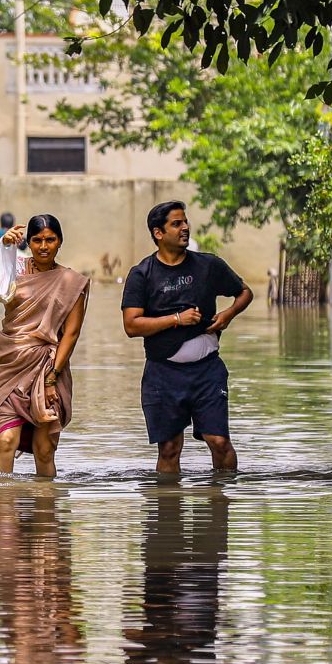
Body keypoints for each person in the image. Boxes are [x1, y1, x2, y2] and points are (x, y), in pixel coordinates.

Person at [121, 200, 253, 473]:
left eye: (185, 222)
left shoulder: (208, 265)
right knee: (169, 449)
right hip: (162, 372)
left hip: (207, 371)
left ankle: (222, 502)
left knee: (219, 441)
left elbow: (244, 292)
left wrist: (228, 315)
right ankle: (169, 512)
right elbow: (131, 326)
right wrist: (176, 319)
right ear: (158, 233)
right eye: (176, 223)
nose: (185, 228)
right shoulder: (141, 274)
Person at [0, 214, 90, 478]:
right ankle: (3, 509)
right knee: (6, 441)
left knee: (44, 448)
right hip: (11, 366)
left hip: (49, 369)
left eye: (50, 240)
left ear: (60, 242)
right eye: (37, 240)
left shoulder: (72, 283)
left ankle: (45, 512)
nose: (43, 246)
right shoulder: (12, 268)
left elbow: (71, 335)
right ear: (28, 242)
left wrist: (52, 378)